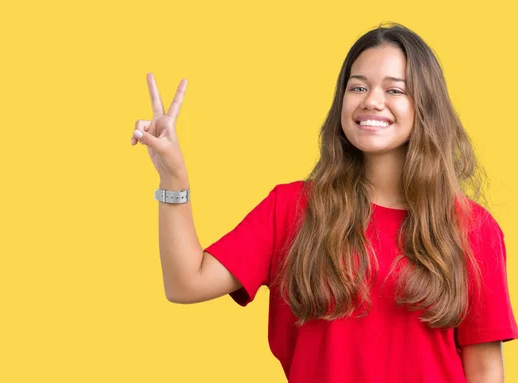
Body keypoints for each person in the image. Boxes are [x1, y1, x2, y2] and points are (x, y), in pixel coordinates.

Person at [130, 22, 518, 383]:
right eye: (358, 87)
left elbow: (485, 369)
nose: (372, 101)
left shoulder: (473, 228)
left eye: (395, 89)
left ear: (426, 106)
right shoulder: (291, 208)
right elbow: (184, 283)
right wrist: (172, 178)